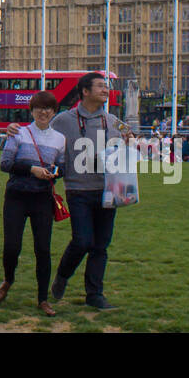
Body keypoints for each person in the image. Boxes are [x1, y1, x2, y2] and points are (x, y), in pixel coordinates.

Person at [49, 72, 132, 311]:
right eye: (100, 86)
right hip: (78, 190)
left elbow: (131, 141)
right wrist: (15, 129)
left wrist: (130, 141)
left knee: (100, 246)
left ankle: (95, 294)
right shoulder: (65, 120)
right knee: (82, 241)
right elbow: (43, 133)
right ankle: (63, 275)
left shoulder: (114, 121)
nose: (106, 90)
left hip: (108, 190)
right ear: (85, 91)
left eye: (106, 87)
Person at [0, 91, 66, 317]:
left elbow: (62, 168)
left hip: (42, 198)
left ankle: (43, 299)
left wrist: (52, 173)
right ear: (32, 111)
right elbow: (5, 164)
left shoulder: (59, 139)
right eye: (39, 108)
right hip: (17, 195)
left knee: (43, 249)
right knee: (12, 247)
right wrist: (31, 169)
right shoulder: (19, 133)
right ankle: (8, 279)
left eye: (48, 109)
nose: (43, 112)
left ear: (54, 112)